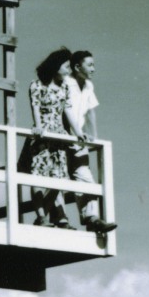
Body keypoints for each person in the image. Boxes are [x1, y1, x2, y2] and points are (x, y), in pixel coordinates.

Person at [28, 47, 89, 227]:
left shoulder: (64, 88)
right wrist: (38, 127)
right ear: (56, 66)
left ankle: (43, 215)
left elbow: (68, 110)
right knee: (38, 176)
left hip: (59, 137)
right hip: (43, 135)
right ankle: (41, 216)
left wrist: (78, 132)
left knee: (59, 178)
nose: (69, 71)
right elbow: (35, 107)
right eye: (66, 67)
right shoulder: (37, 85)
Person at [65, 50, 117, 233]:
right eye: (90, 65)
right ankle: (59, 219)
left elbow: (90, 112)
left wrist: (93, 137)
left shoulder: (88, 85)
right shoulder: (66, 82)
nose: (93, 69)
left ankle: (92, 218)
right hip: (63, 137)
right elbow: (64, 109)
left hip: (79, 140)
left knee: (86, 178)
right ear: (77, 67)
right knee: (56, 178)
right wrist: (77, 133)